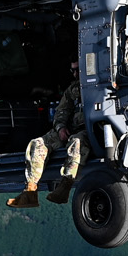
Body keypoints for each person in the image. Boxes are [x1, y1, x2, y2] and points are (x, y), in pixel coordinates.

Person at [9, 69, 87, 208]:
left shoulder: (98, 87)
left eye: (77, 69)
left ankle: (64, 188)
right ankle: (30, 192)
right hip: (70, 129)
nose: (75, 74)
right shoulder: (73, 90)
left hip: (88, 131)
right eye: (72, 70)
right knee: (38, 144)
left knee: (77, 144)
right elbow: (61, 111)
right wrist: (61, 128)